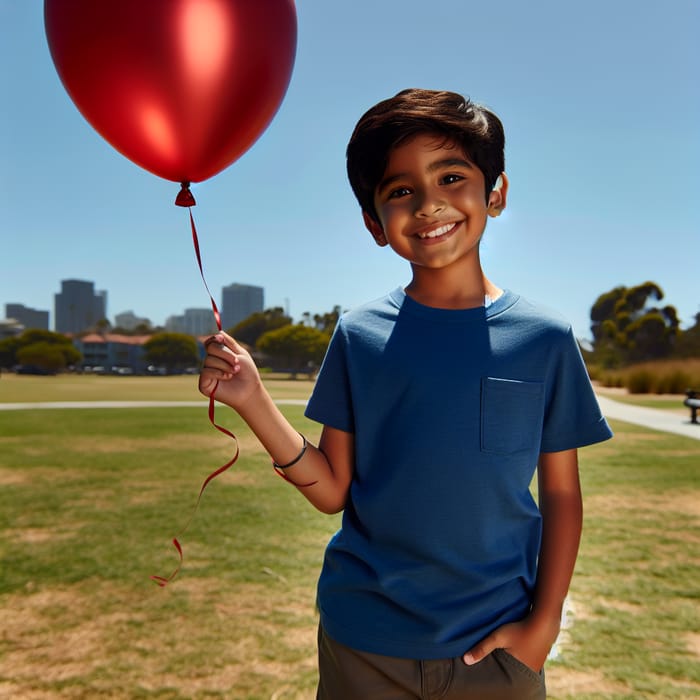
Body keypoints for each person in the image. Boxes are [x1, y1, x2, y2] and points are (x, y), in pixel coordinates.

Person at [199, 88, 613, 700]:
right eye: (400, 190)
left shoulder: (544, 338)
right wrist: (254, 401)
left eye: (451, 176)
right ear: (374, 222)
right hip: (364, 644)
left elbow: (560, 493)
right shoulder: (359, 334)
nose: (428, 204)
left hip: (497, 650)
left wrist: (543, 625)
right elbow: (333, 490)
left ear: (494, 192)